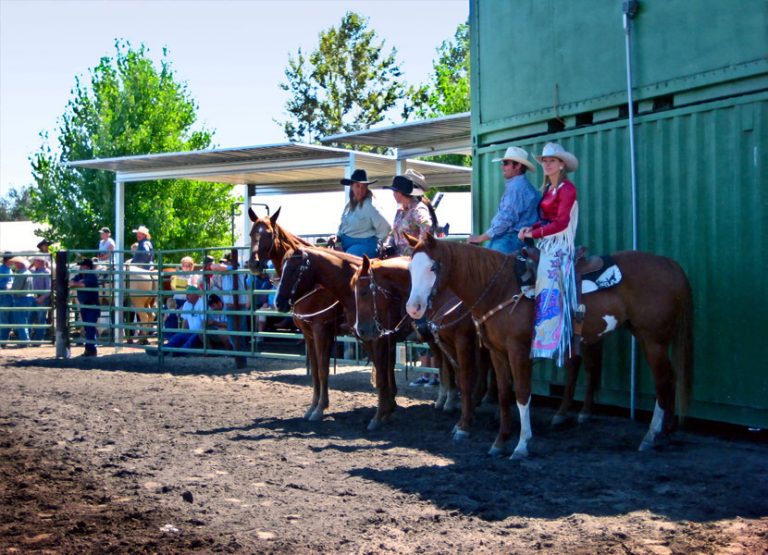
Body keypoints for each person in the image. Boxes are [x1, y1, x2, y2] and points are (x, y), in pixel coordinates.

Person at [518, 142, 579, 366]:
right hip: (546, 241)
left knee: (548, 277)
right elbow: (544, 219)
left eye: (552, 160)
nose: (547, 164)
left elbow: (562, 222)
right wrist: (529, 228)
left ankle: (551, 337)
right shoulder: (548, 190)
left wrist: (537, 232)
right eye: (544, 160)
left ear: (562, 164)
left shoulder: (567, 189)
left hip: (560, 244)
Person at [468, 146, 540, 254]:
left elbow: (506, 220)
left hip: (510, 241)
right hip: (515, 240)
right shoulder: (522, 186)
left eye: (506, 163)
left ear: (518, 166)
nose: (502, 167)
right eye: (502, 163)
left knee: (488, 266)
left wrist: (480, 238)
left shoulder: (517, 188)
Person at [336, 169, 391, 258]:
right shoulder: (349, 204)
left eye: (363, 187)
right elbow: (342, 226)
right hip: (345, 244)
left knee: (348, 259)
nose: (361, 190)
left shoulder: (370, 205)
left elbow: (385, 226)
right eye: (358, 186)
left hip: (365, 245)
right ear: (352, 186)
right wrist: (337, 239)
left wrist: (376, 241)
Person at [385, 169, 437, 257]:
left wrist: (419, 247)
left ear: (400, 193)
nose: (393, 194)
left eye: (394, 191)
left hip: (412, 259)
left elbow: (427, 225)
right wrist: (389, 244)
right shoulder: (400, 211)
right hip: (398, 257)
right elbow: (394, 232)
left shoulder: (417, 209)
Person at [69, 258, 101, 356]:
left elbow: (80, 284)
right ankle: (90, 349)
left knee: (90, 328)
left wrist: (76, 284)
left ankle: (91, 349)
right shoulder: (81, 276)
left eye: (82, 266)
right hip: (85, 305)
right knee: (88, 328)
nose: (80, 267)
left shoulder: (92, 276)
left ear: (87, 267)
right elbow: (72, 283)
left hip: (92, 305)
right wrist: (76, 284)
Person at [165, 286, 205, 353]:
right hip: (191, 331)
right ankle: (164, 349)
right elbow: (185, 321)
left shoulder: (202, 303)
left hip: (199, 332)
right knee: (176, 337)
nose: (186, 296)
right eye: (186, 294)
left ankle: (179, 352)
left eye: (189, 294)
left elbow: (204, 321)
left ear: (195, 295)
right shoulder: (186, 304)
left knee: (190, 341)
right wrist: (183, 332)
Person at [29, 256, 52, 342]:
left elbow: (48, 288)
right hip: (34, 297)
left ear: (40, 261)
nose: (34, 262)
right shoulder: (35, 271)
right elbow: (28, 270)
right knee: (31, 318)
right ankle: (30, 338)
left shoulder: (46, 272)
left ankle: (38, 339)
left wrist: (43, 297)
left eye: (36, 260)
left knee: (41, 318)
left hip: (42, 298)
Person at [0, 253, 14, 347]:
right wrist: (6, 286)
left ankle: (5, 340)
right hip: (4, 295)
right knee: (4, 318)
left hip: (9, 296)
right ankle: (3, 341)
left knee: (8, 318)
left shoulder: (9, 269)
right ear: (8, 260)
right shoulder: (2, 269)